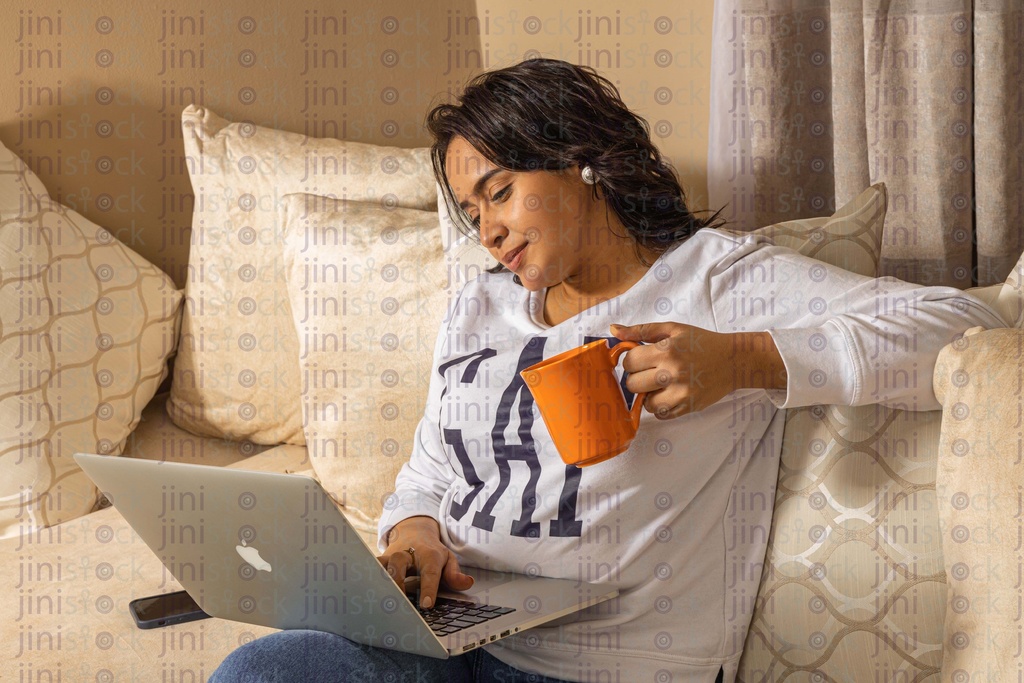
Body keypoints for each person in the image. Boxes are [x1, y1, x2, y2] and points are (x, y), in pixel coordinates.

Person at [211, 59, 1005, 682]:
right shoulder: (477, 310)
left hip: (609, 664)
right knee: (264, 669)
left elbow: (967, 326)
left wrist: (747, 360)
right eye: (473, 211)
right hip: (451, 635)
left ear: (580, 160)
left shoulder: (714, 283)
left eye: (501, 192)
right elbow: (428, 473)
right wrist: (414, 532)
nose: (488, 229)